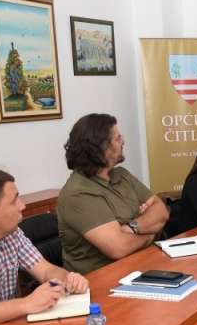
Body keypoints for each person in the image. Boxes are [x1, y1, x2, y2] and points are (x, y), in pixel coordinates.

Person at [0, 168, 89, 325]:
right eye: (14, 201)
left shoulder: (12, 234)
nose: (22, 206)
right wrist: (25, 304)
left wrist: (68, 279)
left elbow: (46, 271)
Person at [57, 114, 168, 274]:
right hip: (103, 279)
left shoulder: (121, 174)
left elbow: (161, 211)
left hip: (141, 265)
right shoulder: (78, 193)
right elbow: (119, 248)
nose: (123, 141)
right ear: (101, 147)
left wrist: (131, 228)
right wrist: (151, 233)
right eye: (117, 138)